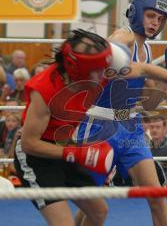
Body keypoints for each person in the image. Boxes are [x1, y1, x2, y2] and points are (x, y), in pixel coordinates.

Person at [75, 0, 167, 226]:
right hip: (100, 127)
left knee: (157, 196)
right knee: (94, 203)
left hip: (130, 127)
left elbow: (150, 103)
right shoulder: (122, 37)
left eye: (160, 19)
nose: (155, 22)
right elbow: (116, 67)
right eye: (150, 16)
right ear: (135, 14)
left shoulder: (147, 49)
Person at [14, 28, 133, 226]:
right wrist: (76, 154)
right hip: (36, 157)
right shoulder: (44, 90)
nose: (102, 76)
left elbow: (134, 50)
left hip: (65, 146)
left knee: (99, 212)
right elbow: (29, 144)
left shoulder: (100, 70)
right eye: (97, 70)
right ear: (77, 68)